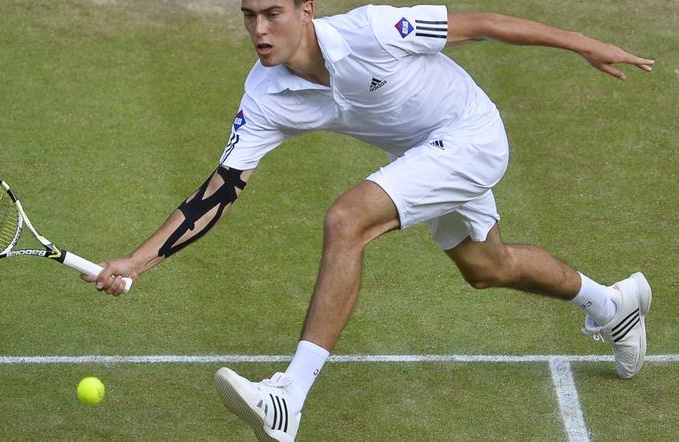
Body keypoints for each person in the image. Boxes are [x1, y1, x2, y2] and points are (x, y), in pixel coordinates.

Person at [83, 1, 655, 440]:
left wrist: (586, 44)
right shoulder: (264, 95)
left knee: (347, 218)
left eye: (273, 13)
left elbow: (482, 24)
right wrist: (138, 261)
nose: (259, 29)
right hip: (420, 156)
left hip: (470, 135)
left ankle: (289, 397)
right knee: (488, 267)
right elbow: (219, 192)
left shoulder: (374, 30)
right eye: (249, 15)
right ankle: (613, 306)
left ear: (306, 10)